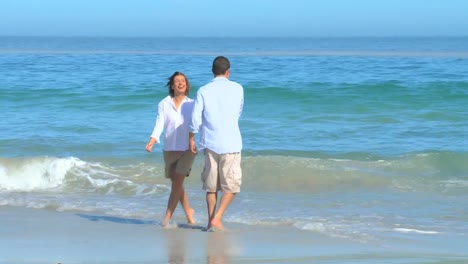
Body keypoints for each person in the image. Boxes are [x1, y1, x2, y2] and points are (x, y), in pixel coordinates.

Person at [189, 56, 244, 231]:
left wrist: (192, 137)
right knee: (232, 186)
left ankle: (210, 222)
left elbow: (195, 117)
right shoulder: (238, 88)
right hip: (231, 142)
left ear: (212, 71)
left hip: (210, 143)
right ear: (228, 71)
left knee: (211, 188)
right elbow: (238, 112)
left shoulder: (204, 90)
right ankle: (217, 218)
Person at [146, 71, 196, 227]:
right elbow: (160, 124)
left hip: (187, 149)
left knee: (176, 184)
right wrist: (152, 140)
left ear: (186, 85)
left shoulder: (192, 104)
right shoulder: (164, 104)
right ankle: (189, 211)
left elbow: (197, 125)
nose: (180, 83)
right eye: (177, 81)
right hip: (169, 149)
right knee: (177, 183)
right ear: (172, 86)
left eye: (183, 81)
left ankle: (166, 218)